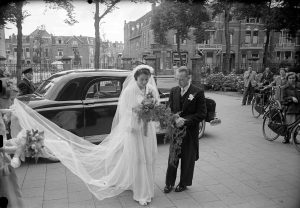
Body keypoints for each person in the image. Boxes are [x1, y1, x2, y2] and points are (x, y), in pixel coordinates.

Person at [8, 65, 159, 206]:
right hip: (134, 129)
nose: (144, 82)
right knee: (137, 158)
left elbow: (156, 106)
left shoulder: (150, 89)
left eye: (146, 79)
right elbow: (126, 111)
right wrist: (140, 113)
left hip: (146, 130)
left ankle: (137, 183)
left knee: (146, 157)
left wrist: (149, 111)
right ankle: (140, 190)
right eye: (142, 80)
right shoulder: (129, 91)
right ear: (135, 79)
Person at [163, 66, 207, 193]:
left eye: (182, 79)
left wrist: (186, 121)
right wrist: (173, 118)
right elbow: (169, 109)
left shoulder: (198, 92)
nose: (179, 82)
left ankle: (183, 183)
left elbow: (202, 113)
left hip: (189, 132)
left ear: (189, 78)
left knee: (187, 159)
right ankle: (169, 183)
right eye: (177, 79)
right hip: (176, 131)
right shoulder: (174, 91)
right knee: (173, 158)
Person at [282, 72, 300, 144]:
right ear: (287, 79)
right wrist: (291, 98)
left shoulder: (299, 86)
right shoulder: (285, 88)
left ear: (296, 79)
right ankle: (287, 138)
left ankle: (294, 138)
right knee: (289, 124)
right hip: (290, 108)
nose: (292, 79)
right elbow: (283, 99)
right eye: (290, 78)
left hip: (298, 108)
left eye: (293, 78)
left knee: (297, 125)